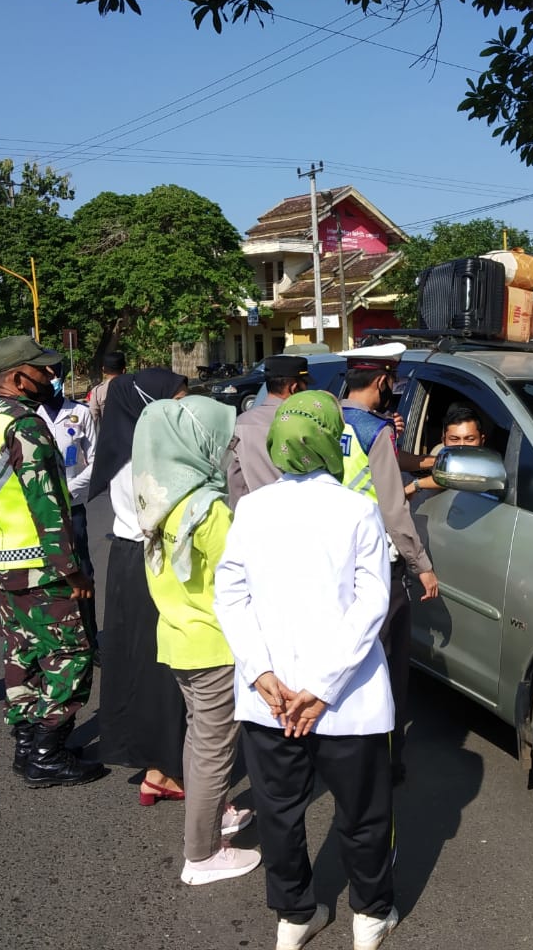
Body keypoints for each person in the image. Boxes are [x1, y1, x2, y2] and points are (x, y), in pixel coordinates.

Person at [214, 390, 398, 950]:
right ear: (330, 440)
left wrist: (260, 671)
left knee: (278, 812)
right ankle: (370, 915)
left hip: (269, 700)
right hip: (347, 701)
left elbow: (230, 593)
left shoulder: (251, 508)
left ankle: (294, 914)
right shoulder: (357, 509)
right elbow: (372, 605)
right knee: (364, 812)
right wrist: (320, 689)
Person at [132, 396, 260, 886]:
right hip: (215, 646)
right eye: (221, 440)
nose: (229, 449)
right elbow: (244, 578)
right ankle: (202, 854)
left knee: (199, 736)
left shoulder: (159, 499)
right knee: (213, 747)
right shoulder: (209, 510)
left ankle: (218, 815)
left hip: (180, 638)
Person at [0, 335, 105, 787]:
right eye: (42, 371)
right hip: (40, 563)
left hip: (3, 559)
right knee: (70, 655)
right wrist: (72, 567)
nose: (50, 377)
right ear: (17, 377)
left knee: (22, 652)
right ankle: (47, 751)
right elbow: (46, 501)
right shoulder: (25, 424)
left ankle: (27, 744)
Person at [89, 369, 195, 806]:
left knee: (139, 663)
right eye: (177, 401)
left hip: (128, 559)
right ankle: (164, 767)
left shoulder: (125, 445)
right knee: (165, 667)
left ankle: (157, 764)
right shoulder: (150, 454)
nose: (183, 410)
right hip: (155, 559)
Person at [341, 357, 438, 785]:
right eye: (391, 382)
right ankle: (385, 758)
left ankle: (343, 749)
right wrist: (422, 565)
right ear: (381, 380)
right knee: (388, 668)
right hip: (377, 561)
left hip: (336, 558)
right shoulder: (374, 429)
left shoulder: (330, 419)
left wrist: (421, 463)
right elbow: (393, 506)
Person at [36, 367, 100, 660]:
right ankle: (54, 643)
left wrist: (70, 488)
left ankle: (89, 641)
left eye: (54, 375)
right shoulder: (28, 415)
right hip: (38, 510)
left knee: (82, 572)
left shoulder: (81, 413)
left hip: (72, 506)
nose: (50, 381)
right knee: (46, 576)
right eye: (44, 374)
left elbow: (96, 459)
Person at [224, 354, 310, 509]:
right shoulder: (305, 422)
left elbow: (236, 479)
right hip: (298, 514)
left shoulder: (241, 423)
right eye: (306, 386)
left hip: (257, 515)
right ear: (294, 387)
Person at [404, 402, 486, 498]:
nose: (462, 446)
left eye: (470, 439)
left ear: (482, 441)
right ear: (444, 442)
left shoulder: (489, 466)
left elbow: (460, 477)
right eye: (454, 439)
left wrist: (417, 484)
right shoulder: (441, 462)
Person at [87, 350, 125, 425]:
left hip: (108, 434)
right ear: (124, 369)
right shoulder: (134, 387)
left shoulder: (98, 391)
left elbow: (92, 418)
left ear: (104, 370)